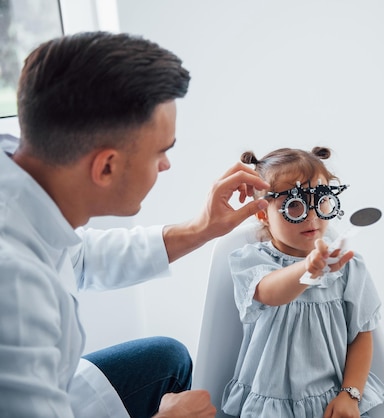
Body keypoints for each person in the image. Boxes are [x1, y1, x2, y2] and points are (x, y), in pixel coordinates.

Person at [0, 31, 270, 418]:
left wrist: (202, 227)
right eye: (161, 151)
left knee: (168, 358)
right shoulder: (15, 289)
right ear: (106, 166)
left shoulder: (21, 175)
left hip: (58, 387)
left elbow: (81, 258)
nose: (166, 165)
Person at [221, 147, 384, 418]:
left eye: (320, 200)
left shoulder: (347, 265)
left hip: (331, 400)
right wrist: (308, 269)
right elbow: (270, 292)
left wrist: (350, 393)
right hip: (270, 402)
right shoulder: (252, 261)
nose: (311, 215)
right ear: (263, 213)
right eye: (294, 204)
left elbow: (361, 335)